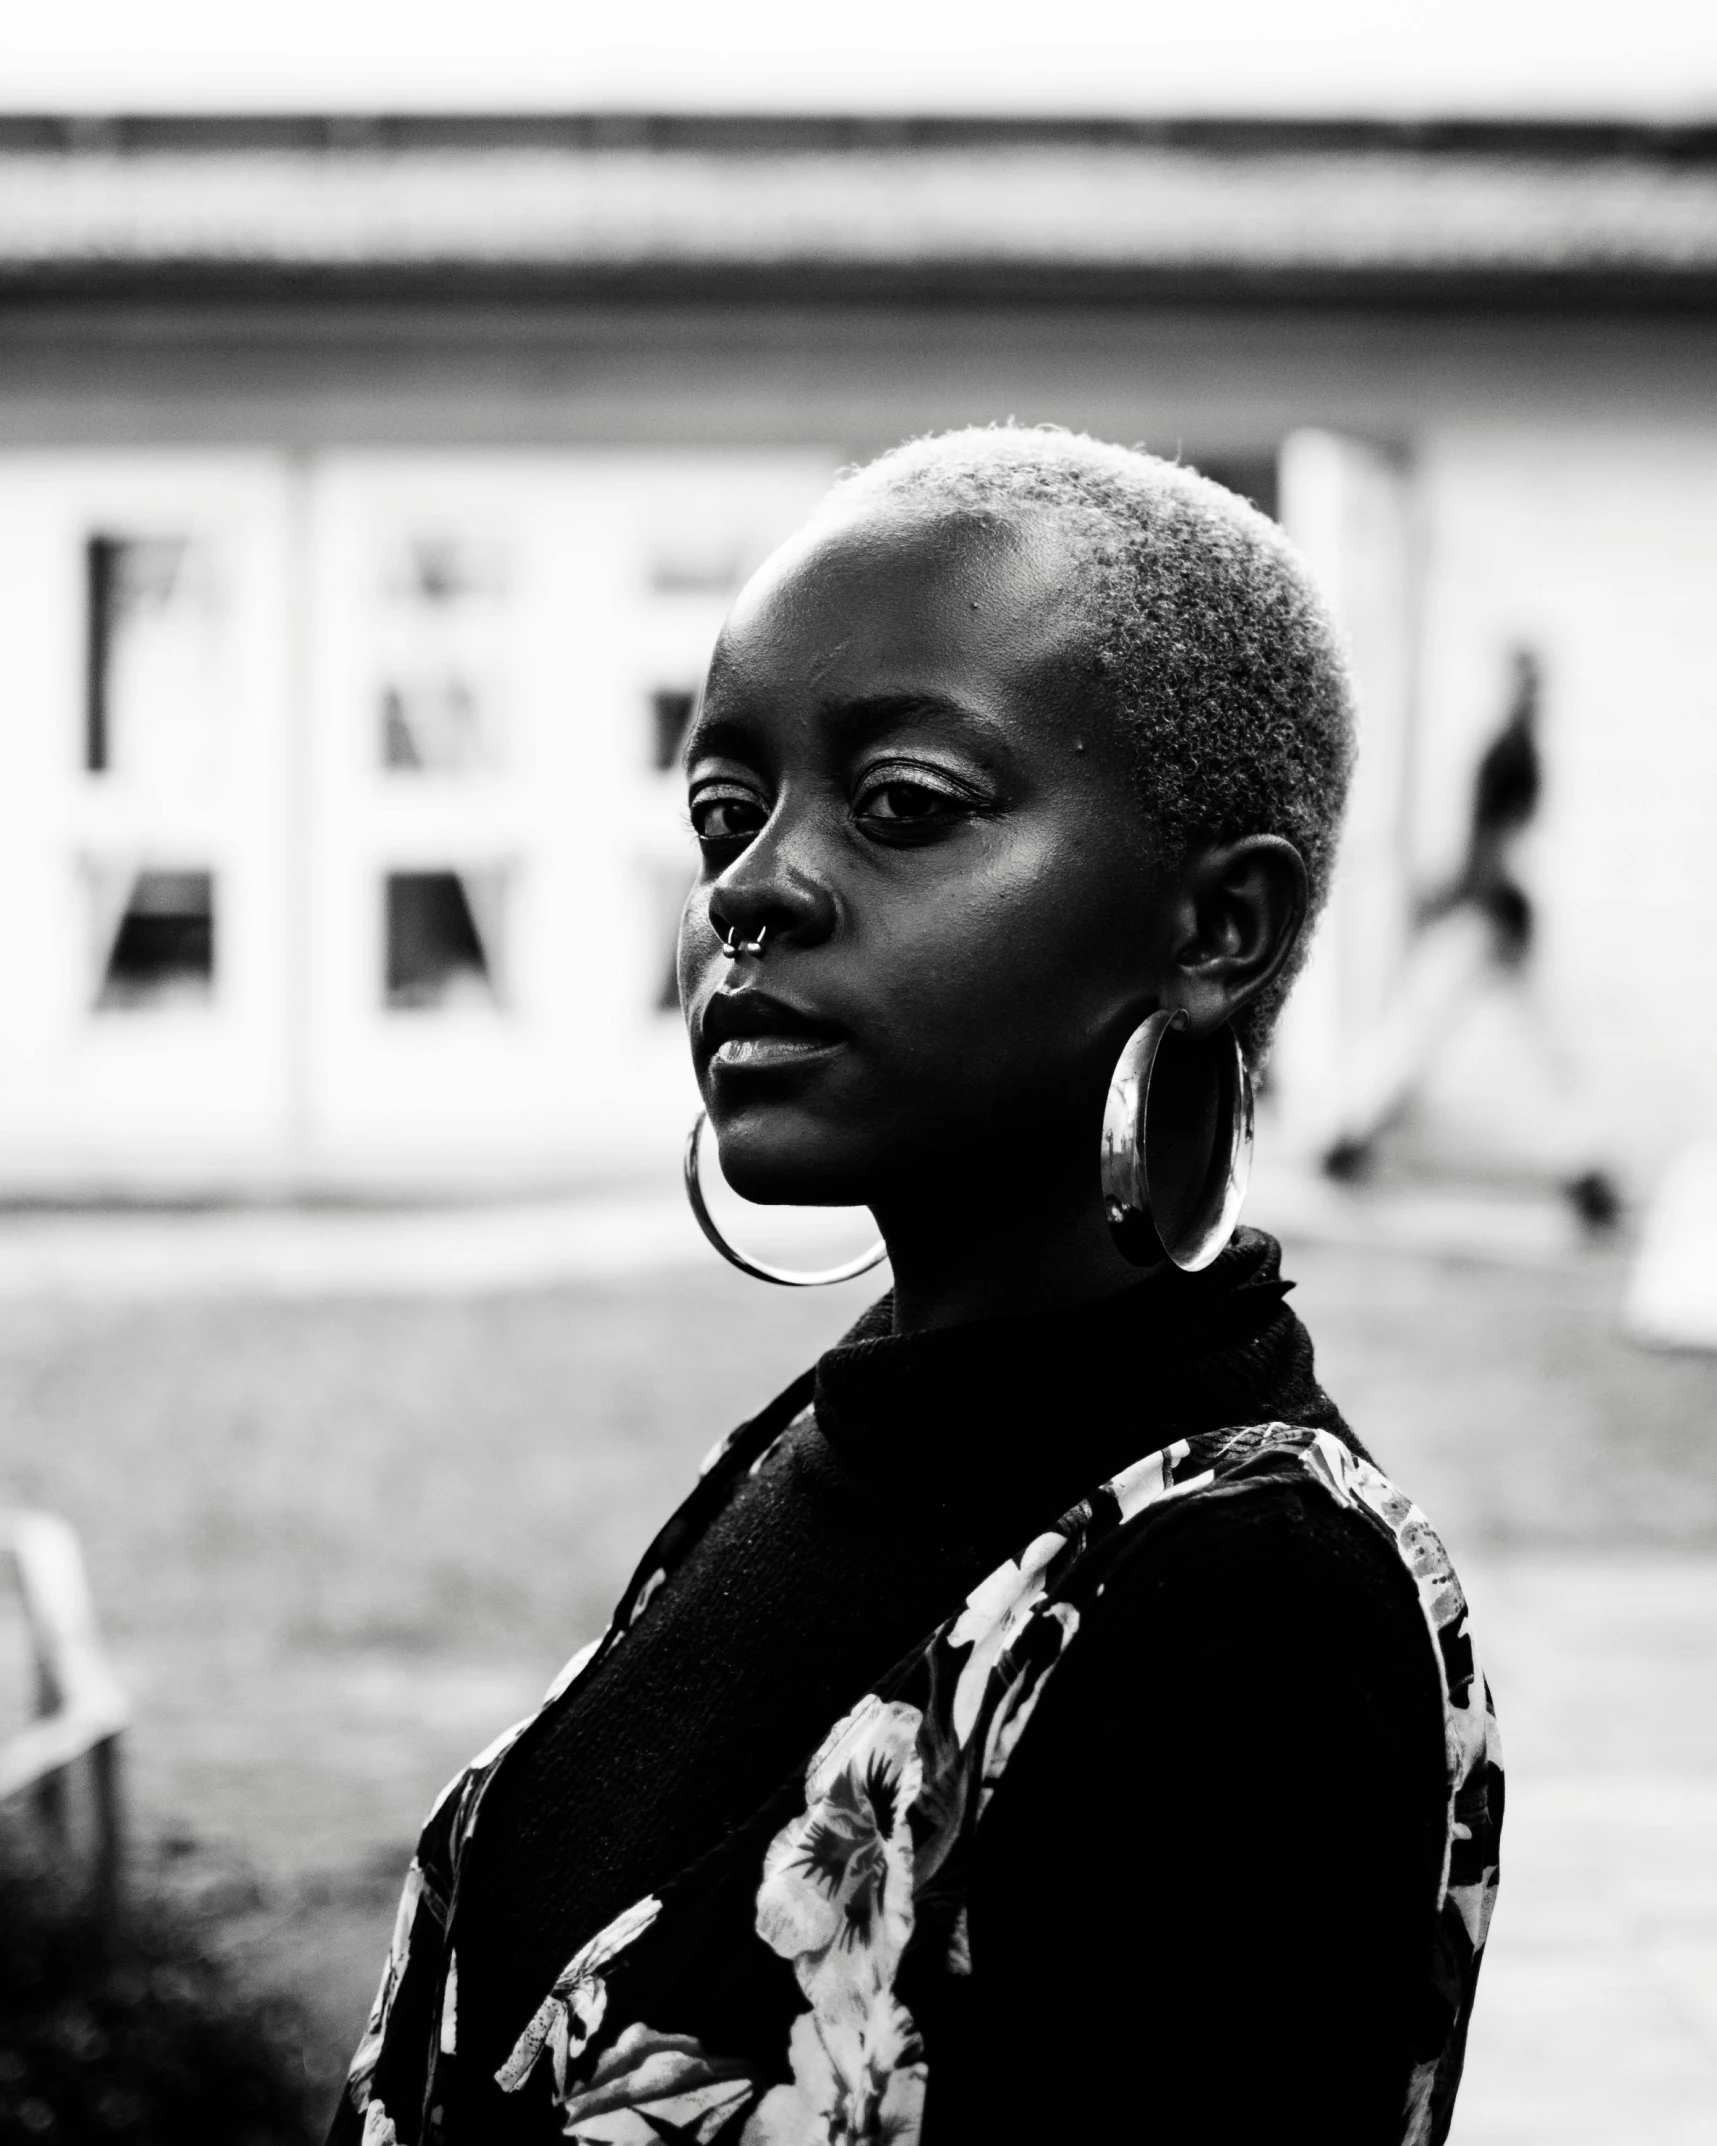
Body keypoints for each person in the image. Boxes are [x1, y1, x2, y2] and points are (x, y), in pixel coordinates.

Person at [331, 429, 1502, 2146]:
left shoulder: (1252, 1607)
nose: (753, 886)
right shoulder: (835, 1436)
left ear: (1216, 929)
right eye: (725, 813)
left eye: (899, 810)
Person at [1321, 647, 1620, 1227]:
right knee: (1455, 1033)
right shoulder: (1510, 752)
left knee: (1467, 1034)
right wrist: (1465, 899)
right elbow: (1487, 843)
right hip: (1491, 914)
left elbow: (1492, 844)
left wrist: (1459, 899)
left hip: (1494, 913)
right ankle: (1349, 1134)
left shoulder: (1516, 750)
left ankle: (1587, 1168)